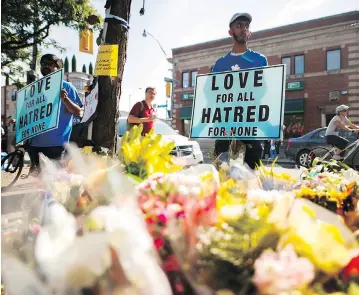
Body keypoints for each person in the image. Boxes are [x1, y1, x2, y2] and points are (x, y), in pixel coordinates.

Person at [212, 12, 268, 169]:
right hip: (226, 125)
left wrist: (273, 121)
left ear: (249, 32)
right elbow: (214, 96)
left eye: (246, 26)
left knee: (253, 171)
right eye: (239, 26)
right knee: (222, 170)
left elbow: (266, 92)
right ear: (231, 32)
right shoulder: (220, 64)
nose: (243, 29)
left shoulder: (260, 60)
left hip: (251, 123)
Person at [27, 54, 83, 172]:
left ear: (59, 68)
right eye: (43, 64)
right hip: (34, 144)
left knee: (57, 182)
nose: (46, 66)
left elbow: (78, 112)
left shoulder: (66, 87)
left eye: (50, 64)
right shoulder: (35, 88)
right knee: (39, 182)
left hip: (56, 144)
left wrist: (65, 99)